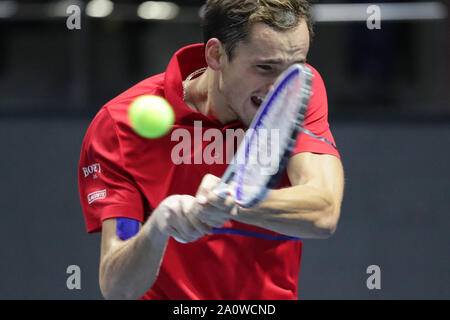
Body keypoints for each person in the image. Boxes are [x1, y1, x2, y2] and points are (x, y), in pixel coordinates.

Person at [78, 0, 344, 300]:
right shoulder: (118, 125)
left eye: (295, 68)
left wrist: (234, 201)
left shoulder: (298, 95)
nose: (280, 88)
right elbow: (117, 288)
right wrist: (157, 228)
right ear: (216, 55)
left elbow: (323, 211)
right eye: (265, 67)